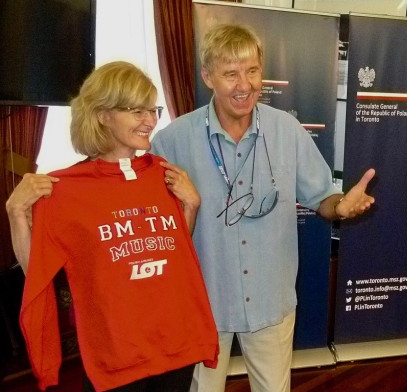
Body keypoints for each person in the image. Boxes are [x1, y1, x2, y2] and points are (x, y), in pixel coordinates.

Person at [150, 24, 375, 392]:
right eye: (231, 73)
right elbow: (155, 230)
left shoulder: (287, 130)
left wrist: (341, 207)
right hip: (204, 304)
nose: (245, 84)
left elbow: (323, 199)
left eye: (252, 71)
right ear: (207, 76)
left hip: (271, 300)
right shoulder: (171, 142)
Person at [7, 61, 218, 392]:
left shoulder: (164, 174)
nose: (151, 121)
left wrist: (190, 207)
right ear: (103, 115)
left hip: (175, 344)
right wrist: (16, 212)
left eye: (153, 110)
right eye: (137, 111)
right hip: (116, 355)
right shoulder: (65, 190)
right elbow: (37, 272)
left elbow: (172, 254)